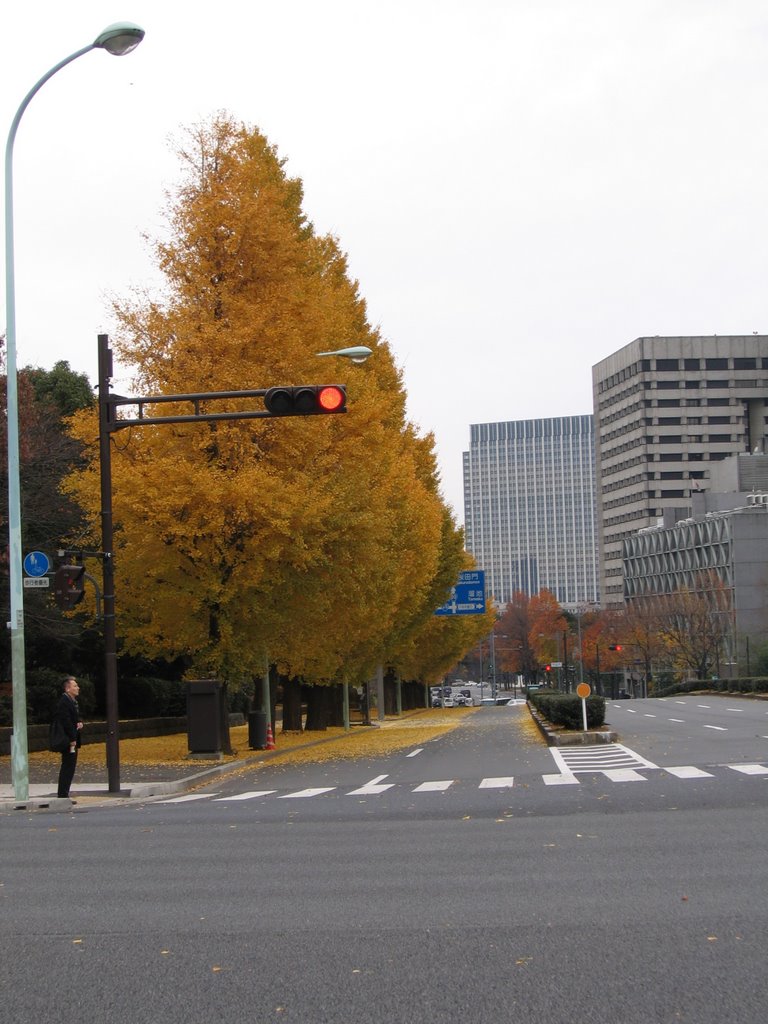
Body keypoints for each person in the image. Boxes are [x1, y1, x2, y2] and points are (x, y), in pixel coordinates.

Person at [53, 676, 83, 800]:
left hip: (72, 738)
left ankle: (64, 792)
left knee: (70, 766)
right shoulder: (64, 702)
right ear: (68, 688)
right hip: (68, 740)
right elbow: (65, 721)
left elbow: (74, 718)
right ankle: (63, 793)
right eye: (75, 686)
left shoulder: (72, 702)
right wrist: (72, 738)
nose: (78, 688)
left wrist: (79, 722)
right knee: (68, 766)